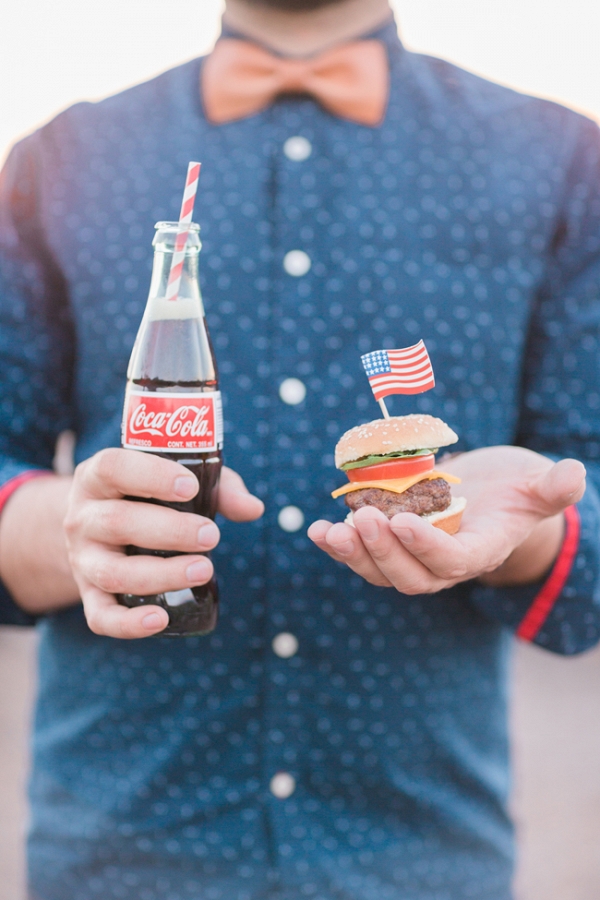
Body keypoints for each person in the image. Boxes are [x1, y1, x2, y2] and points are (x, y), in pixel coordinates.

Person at [0, 0, 599, 897]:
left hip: (424, 858)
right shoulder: (62, 159)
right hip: (117, 856)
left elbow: (589, 534)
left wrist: (517, 524)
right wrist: (72, 530)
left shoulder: (562, 161)